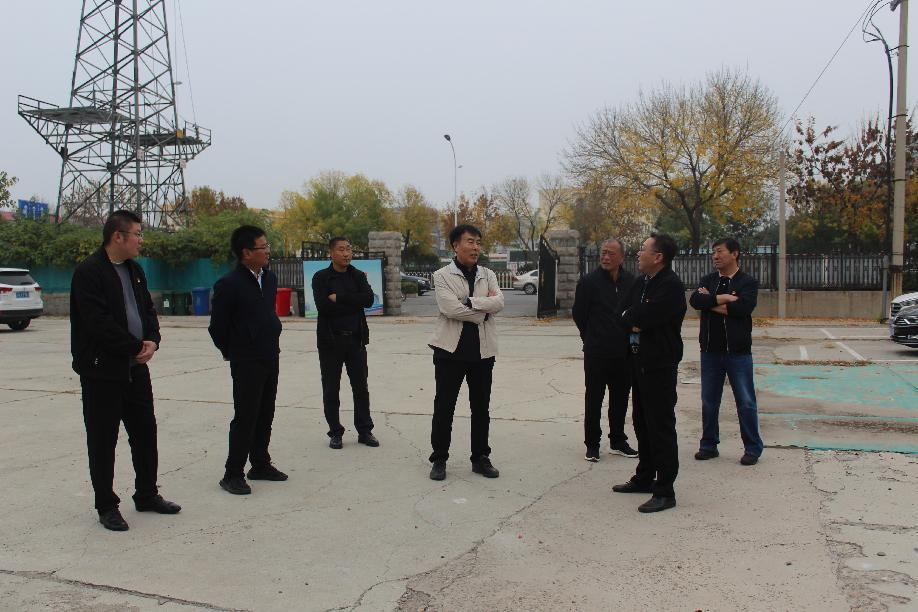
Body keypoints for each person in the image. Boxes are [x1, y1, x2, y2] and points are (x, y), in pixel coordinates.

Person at [70, 209, 180, 531]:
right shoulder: (89, 272)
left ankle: (147, 494)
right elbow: (98, 323)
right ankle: (106, 505)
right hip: (102, 372)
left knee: (145, 433)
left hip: (135, 369)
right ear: (117, 236)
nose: (141, 240)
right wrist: (134, 346)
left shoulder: (135, 270)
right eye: (137, 234)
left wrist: (153, 340)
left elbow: (147, 310)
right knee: (103, 440)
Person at [209, 225, 287, 495]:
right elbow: (217, 327)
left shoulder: (269, 278)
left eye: (267, 246)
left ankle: (260, 463)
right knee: (246, 416)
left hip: (270, 354)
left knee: (266, 412)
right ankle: (232, 473)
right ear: (246, 253)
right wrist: (231, 351)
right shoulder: (229, 284)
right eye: (262, 247)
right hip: (246, 359)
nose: (267, 251)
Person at [612, 233, 686, 514]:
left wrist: (635, 318)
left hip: (659, 365)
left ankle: (665, 490)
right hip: (637, 361)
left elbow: (647, 317)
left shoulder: (670, 285)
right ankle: (644, 477)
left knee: (660, 426)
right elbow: (621, 313)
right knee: (641, 422)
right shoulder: (642, 282)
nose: (638, 253)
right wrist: (633, 319)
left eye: (643, 249)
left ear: (659, 257)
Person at [427, 224, 504, 481]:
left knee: (481, 408)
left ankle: (480, 458)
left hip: (483, 352)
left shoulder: (488, 274)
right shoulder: (441, 275)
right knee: (444, 407)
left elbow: (499, 302)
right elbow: (450, 308)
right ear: (455, 246)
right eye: (470, 242)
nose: (475, 247)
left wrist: (470, 302)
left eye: (478, 242)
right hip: (450, 352)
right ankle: (439, 459)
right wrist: (483, 311)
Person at [689, 237, 764, 466]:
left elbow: (742, 308)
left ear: (735, 253)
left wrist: (710, 302)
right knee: (709, 402)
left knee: (746, 402)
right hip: (710, 351)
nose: (715, 256)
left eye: (720, 251)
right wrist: (723, 299)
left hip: (738, 352)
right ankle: (708, 445)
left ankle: (752, 448)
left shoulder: (747, 282)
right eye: (713, 252)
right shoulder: (709, 280)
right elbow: (695, 301)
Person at [572, 238, 638, 462]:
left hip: (623, 352)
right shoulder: (589, 282)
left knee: (620, 398)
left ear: (622, 257)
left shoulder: (631, 282)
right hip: (597, 352)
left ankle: (618, 441)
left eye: (611, 253)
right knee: (594, 399)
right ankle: (592, 444)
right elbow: (579, 314)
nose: (606, 257)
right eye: (603, 253)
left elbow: (634, 312)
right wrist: (590, 336)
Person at [311, 236, 378, 450]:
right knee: (331, 388)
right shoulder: (321, 278)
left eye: (349, 249)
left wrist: (339, 298)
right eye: (341, 249)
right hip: (331, 341)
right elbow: (323, 307)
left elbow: (368, 299)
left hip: (356, 340)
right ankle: (335, 432)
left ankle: (364, 431)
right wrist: (353, 301)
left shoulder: (357, 275)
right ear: (331, 253)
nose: (346, 253)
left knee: (361, 387)